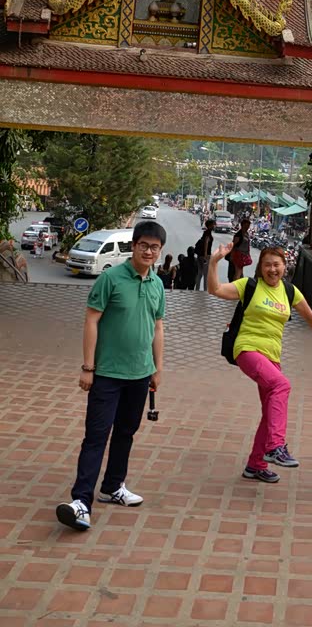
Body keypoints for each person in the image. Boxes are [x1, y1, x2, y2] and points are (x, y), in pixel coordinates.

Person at [55, 219, 166, 531]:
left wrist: (157, 368)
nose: (148, 251)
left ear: (160, 251)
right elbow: (91, 321)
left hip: (140, 374)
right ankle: (81, 502)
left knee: (126, 432)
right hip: (106, 373)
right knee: (96, 435)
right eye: (143, 245)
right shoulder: (111, 278)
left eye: (154, 247)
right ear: (133, 246)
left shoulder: (157, 284)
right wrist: (88, 367)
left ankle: (113, 486)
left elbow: (158, 327)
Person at [207, 242, 312, 483]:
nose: (272, 269)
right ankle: (275, 446)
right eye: (267, 265)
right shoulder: (249, 286)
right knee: (282, 386)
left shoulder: (290, 292)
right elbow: (215, 289)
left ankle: (255, 465)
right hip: (247, 349)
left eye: (276, 265)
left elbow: (310, 315)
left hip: (272, 357)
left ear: (284, 266)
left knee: (270, 412)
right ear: (261, 267)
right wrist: (214, 261)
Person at [194, 219, 215, 290]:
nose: (214, 226)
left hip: (200, 255)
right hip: (205, 256)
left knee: (200, 273)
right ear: (210, 225)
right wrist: (205, 255)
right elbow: (206, 243)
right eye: (213, 224)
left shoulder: (205, 233)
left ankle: (197, 289)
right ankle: (205, 290)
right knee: (206, 274)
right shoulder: (208, 233)